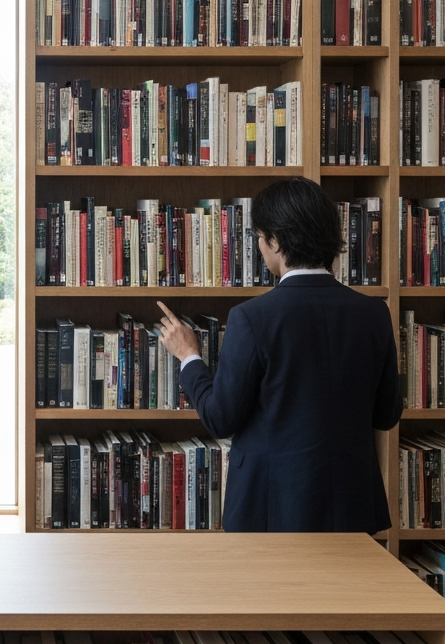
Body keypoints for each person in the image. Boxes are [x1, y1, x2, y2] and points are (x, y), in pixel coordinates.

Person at [156, 176, 401, 533]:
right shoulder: (375, 314)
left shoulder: (252, 318)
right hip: (351, 507)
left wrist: (189, 356)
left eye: (259, 237)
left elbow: (220, 417)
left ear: (276, 240)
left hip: (270, 510)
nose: (259, 246)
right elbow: (387, 414)